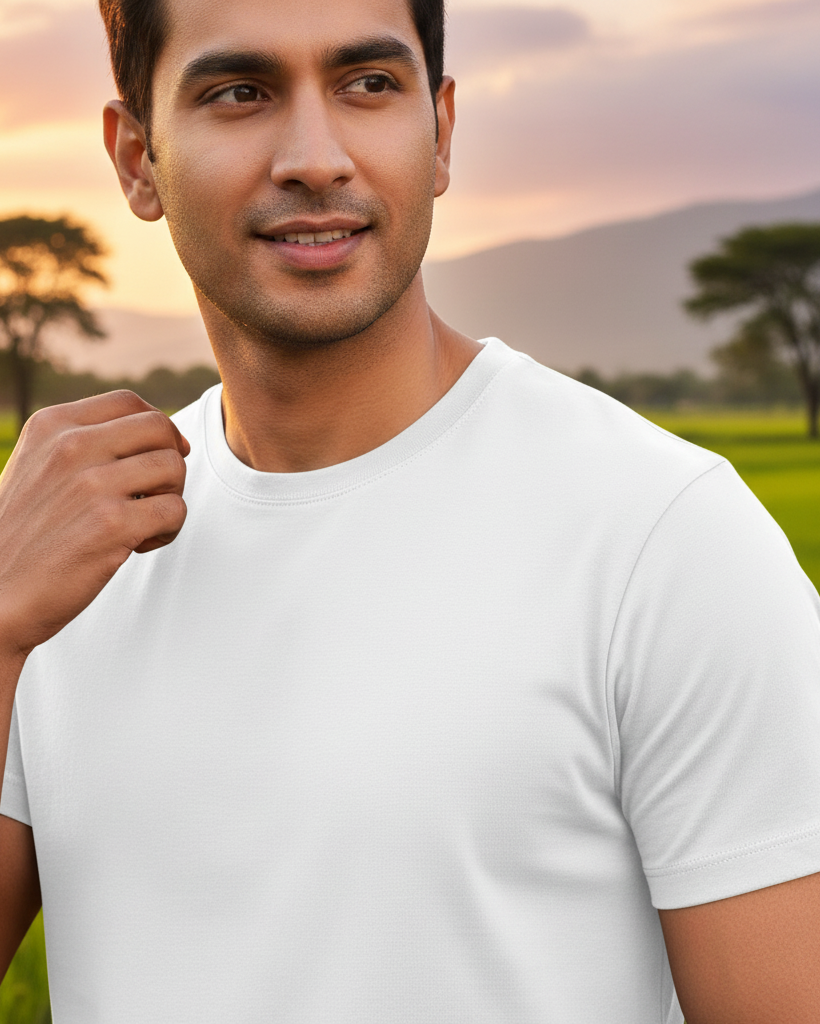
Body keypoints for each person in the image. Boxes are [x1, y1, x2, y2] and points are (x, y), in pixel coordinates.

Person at [1, 0, 819, 1019]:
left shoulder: (662, 537)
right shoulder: (61, 559)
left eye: (369, 84)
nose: (315, 158)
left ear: (440, 134)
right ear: (137, 159)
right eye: (241, 92)